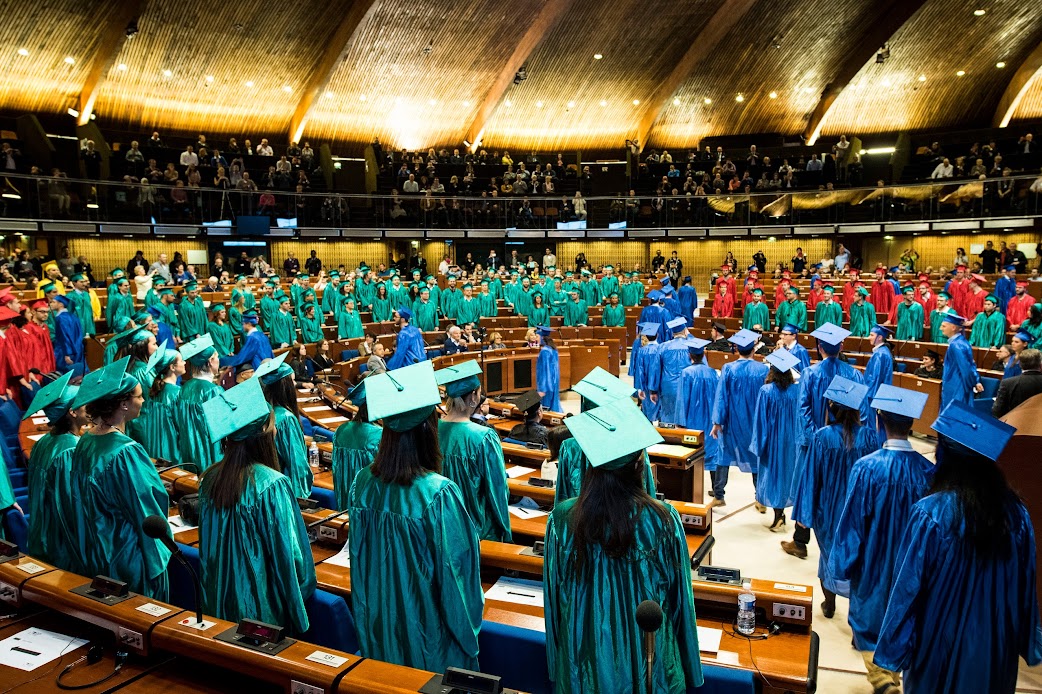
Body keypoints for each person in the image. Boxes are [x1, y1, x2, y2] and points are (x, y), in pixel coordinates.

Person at [875, 402, 1040, 692]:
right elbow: (1026, 586)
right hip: (995, 643)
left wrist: (894, 650)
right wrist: (1027, 637)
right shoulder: (1017, 514)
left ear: (945, 456)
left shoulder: (931, 513)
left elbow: (908, 589)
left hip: (941, 641)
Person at [545, 397, 702, 693]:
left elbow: (555, 603)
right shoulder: (663, 521)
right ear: (638, 463)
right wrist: (689, 668)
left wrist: (559, 665)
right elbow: (681, 602)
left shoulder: (562, 520)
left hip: (582, 661)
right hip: (649, 660)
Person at [348, 361, 483, 672]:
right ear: (428, 429)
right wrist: (469, 640)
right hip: (430, 643)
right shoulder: (438, 493)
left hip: (378, 633)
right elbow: (457, 582)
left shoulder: (361, 485)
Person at [831, 384, 934, 694]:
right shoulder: (928, 471)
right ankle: (893, 675)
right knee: (903, 614)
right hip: (912, 565)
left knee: (868, 617)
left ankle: (880, 678)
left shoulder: (866, 468)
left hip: (873, 559)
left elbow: (852, 524)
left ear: (878, 421)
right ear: (912, 425)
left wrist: (843, 564)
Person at [198, 377, 315, 634]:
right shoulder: (271, 485)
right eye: (271, 424)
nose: (275, 430)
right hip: (261, 612)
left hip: (219, 603)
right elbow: (291, 559)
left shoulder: (210, 479)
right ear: (262, 432)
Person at [66, 357, 170, 598]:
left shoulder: (85, 442)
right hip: (128, 554)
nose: (143, 401)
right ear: (123, 404)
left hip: (97, 548)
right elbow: (147, 510)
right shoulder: (126, 451)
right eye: (139, 396)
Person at [787, 376, 879, 618]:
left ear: (830, 407)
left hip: (828, 509)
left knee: (828, 556)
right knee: (858, 557)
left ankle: (829, 604)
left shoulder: (822, 436)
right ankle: (855, 613)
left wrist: (804, 515)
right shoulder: (870, 437)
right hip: (860, 509)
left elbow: (811, 478)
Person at [783, 324, 867, 560]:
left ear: (819, 347)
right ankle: (843, 542)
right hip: (848, 443)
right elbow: (864, 412)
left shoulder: (811, 373)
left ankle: (800, 542)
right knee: (843, 488)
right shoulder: (854, 374)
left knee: (808, 488)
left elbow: (803, 410)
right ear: (842, 346)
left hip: (815, 444)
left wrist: (815, 439)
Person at [435, 361, 511, 542]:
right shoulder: (483, 437)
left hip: (440, 526)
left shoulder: (432, 431)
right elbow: (497, 490)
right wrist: (505, 532)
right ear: (474, 397)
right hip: (474, 530)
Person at [21, 372, 87, 568]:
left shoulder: (45, 441)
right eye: (84, 402)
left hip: (43, 530)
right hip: (63, 541)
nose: (90, 406)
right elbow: (72, 503)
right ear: (72, 412)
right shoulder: (70, 450)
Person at [710, 330, 769, 509]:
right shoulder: (763, 369)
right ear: (753, 350)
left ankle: (719, 495)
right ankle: (760, 498)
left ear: (736, 349)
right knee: (757, 455)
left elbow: (722, 397)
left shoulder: (728, 368)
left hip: (732, 421)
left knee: (724, 453)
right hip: (754, 422)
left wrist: (717, 422)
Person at [749, 350, 803, 531]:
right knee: (788, 475)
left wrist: (758, 444)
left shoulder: (766, 391)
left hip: (773, 441)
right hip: (792, 440)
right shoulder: (797, 390)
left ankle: (779, 516)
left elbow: (760, 420)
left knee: (774, 476)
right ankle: (784, 517)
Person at [255, 355, 313, 499]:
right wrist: (301, 499)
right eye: (292, 381)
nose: (294, 385)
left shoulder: (261, 413)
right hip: (282, 492)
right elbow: (297, 465)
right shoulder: (286, 419)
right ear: (284, 386)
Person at [175, 335, 224, 472]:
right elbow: (222, 427)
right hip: (210, 453)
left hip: (189, 451)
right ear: (209, 361)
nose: (219, 360)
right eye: (217, 357)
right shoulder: (212, 391)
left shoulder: (183, 389)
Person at [136, 345, 184, 464]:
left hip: (155, 447)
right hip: (172, 448)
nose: (185, 362)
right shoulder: (177, 393)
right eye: (181, 360)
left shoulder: (155, 390)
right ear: (172, 367)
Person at [939, 314, 983, 413]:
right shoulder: (961, 342)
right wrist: (975, 381)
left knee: (955, 414)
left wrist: (972, 383)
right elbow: (971, 365)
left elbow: (966, 369)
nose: (940, 328)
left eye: (944, 326)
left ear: (953, 327)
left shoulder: (956, 345)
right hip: (957, 384)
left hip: (957, 385)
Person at [864, 325, 894, 443]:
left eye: (872, 335)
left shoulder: (880, 354)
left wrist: (868, 396)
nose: (868, 338)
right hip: (880, 394)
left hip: (874, 395)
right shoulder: (883, 352)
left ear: (880, 337)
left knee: (874, 424)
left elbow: (874, 378)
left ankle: (873, 446)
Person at [993, 348, 1042, 417]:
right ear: (1040, 364)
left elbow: (998, 410)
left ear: (1020, 365)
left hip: (1013, 422)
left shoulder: (1008, 383)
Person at [535, 325, 562, 410]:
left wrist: (543, 388)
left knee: (546, 408)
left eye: (537, 336)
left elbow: (546, 371)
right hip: (554, 381)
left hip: (547, 384)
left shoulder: (545, 351)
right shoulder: (553, 349)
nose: (536, 339)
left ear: (542, 337)